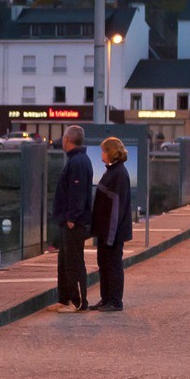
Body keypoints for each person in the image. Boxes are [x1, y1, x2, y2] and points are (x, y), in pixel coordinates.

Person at [51, 124, 93, 311]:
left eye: (63, 137)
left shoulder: (78, 162)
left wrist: (72, 217)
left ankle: (78, 302)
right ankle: (65, 298)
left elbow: (78, 193)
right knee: (64, 260)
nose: (62, 140)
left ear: (68, 139)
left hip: (73, 223)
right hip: (67, 221)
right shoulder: (77, 160)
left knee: (73, 261)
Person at [91, 136, 133, 312]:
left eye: (103, 150)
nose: (101, 154)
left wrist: (110, 235)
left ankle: (115, 301)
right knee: (104, 264)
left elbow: (116, 208)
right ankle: (106, 298)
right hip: (106, 231)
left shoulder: (118, 174)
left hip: (112, 233)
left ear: (110, 153)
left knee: (113, 265)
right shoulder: (112, 171)